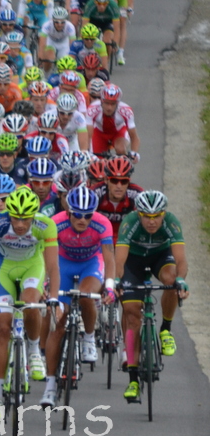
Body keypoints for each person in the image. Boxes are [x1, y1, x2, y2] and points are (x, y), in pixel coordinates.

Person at [0, 187, 60, 419]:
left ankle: (35, 350)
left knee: (29, 302)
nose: (19, 223)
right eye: (15, 217)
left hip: (31, 268)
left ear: (34, 215)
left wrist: (53, 296)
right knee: (3, 325)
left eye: (25, 218)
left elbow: (53, 266)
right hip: (2, 269)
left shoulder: (46, 225)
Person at [42, 187, 115, 407]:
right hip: (62, 265)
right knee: (58, 325)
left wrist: (110, 286)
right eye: (77, 215)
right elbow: (47, 259)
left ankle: (89, 338)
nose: (82, 220)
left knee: (85, 296)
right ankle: (50, 386)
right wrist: (46, 284)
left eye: (87, 215)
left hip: (90, 264)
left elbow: (110, 259)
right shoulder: (55, 223)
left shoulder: (102, 223)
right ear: (68, 211)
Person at [115, 192, 189, 401]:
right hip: (133, 262)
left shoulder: (171, 223)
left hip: (160, 258)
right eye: (146, 216)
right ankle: (133, 380)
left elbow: (181, 259)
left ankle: (165, 329)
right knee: (131, 316)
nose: (151, 221)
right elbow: (119, 260)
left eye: (156, 215)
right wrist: (117, 280)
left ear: (163, 213)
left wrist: (181, 280)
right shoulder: (130, 223)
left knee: (171, 280)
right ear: (138, 214)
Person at [95, 156, 142, 243]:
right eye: (114, 181)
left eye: (124, 181)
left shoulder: (137, 194)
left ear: (129, 182)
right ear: (106, 180)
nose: (119, 186)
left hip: (126, 239)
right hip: (100, 240)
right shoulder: (95, 193)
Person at [86, 84, 140, 161]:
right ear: (101, 101)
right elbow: (88, 135)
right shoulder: (92, 109)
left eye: (113, 104)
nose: (109, 108)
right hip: (99, 133)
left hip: (118, 132)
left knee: (120, 149)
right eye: (107, 103)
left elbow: (134, 136)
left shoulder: (126, 111)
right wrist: (88, 152)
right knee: (97, 162)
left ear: (118, 103)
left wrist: (134, 153)